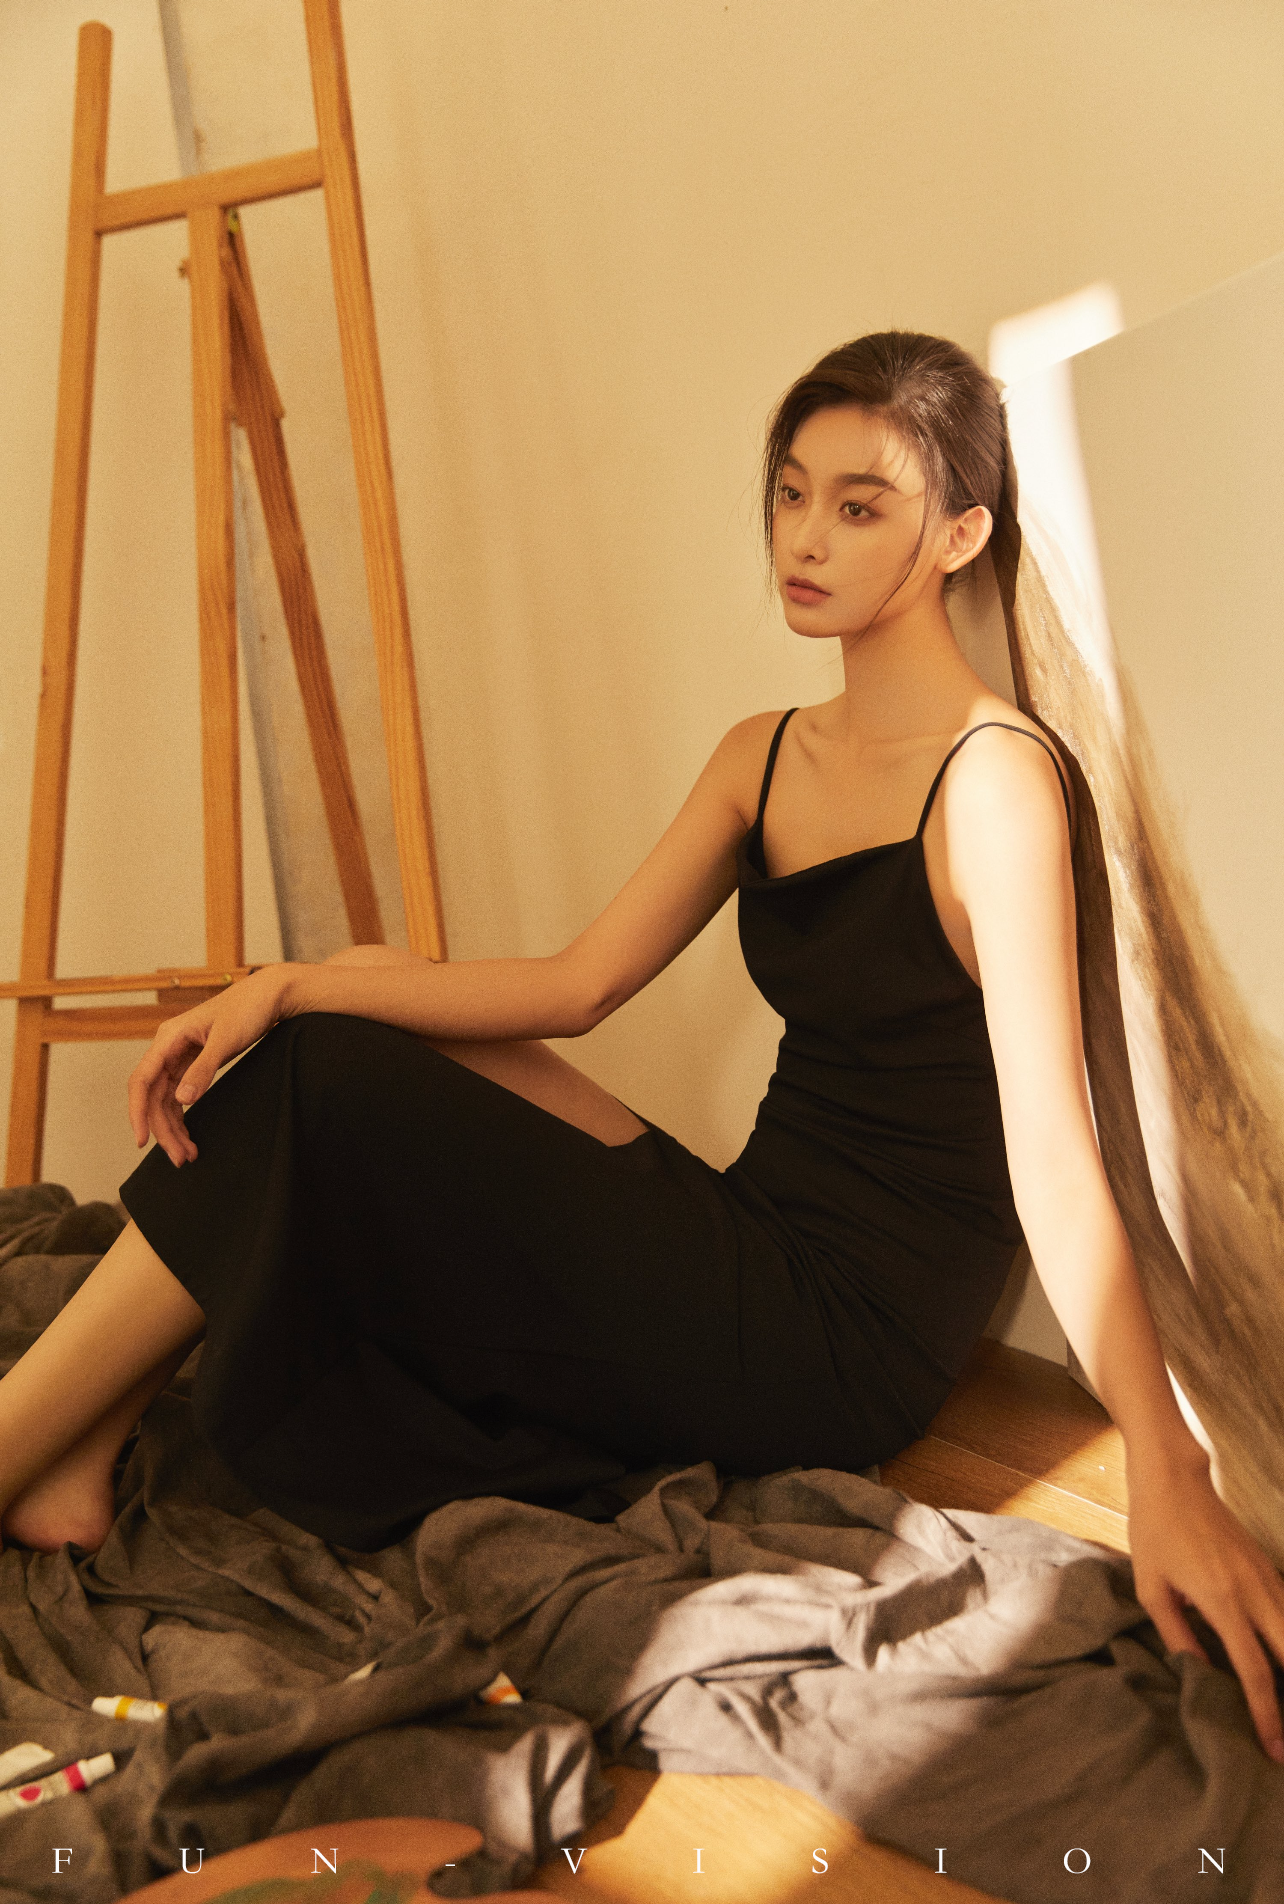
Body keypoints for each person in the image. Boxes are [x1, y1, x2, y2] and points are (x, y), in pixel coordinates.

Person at [1, 331, 1281, 1761]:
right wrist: (287, 983)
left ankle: (15, 1439)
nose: (805, 537)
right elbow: (577, 983)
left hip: (835, 1341)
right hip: (754, 1230)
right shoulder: (766, 752)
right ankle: (69, 1446)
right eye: (790, 493)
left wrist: (1168, 1464)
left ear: (958, 536)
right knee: (352, 994)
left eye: (860, 506)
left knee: (325, 1064)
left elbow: (1053, 1152)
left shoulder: (995, 782)